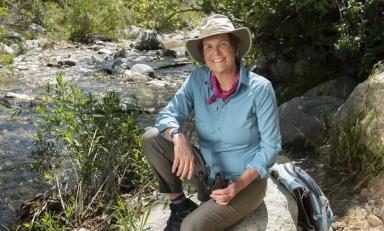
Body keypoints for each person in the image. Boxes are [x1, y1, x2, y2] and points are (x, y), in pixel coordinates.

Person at [142, 14, 281, 231]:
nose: (215, 53)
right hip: (206, 174)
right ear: (203, 53)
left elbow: (271, 147)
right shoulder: (197, 79)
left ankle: (193, 216)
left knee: (189, 228)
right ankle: (180, 206)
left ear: (235, 48)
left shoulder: (260, 89)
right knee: (152, 139)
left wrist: (238, 185)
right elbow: (167, 115)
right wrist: (178, 137)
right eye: (208, 47)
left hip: (246, 183)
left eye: (222, 44)